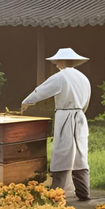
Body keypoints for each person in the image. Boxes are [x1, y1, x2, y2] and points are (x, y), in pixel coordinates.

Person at [22, 48, 91, 201]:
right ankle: (84, 193)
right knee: (80, 155)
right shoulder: (83, 78)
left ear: (62, 61)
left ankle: (55, 194)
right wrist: (79, 112)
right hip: (80, 117)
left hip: (65, 117)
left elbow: (42, 90)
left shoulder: (61, 77)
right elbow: (86, 102)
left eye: (57, 61)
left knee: (62, 154)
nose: (55, 64)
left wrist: (27, 101)